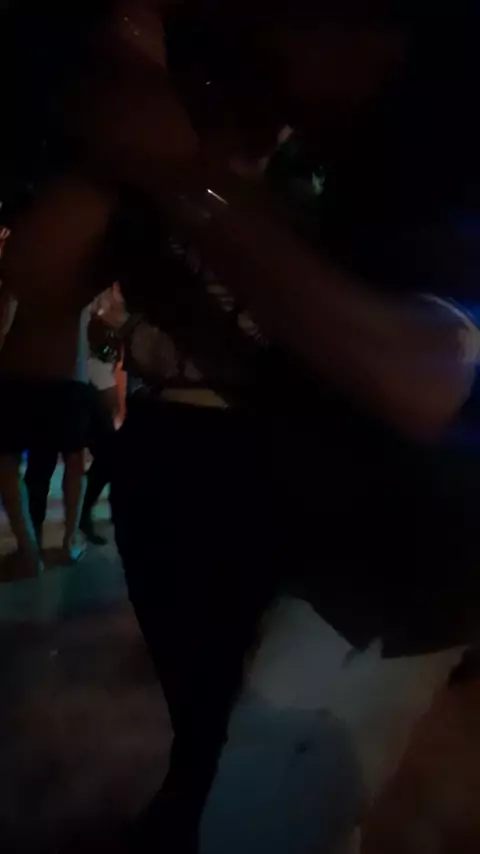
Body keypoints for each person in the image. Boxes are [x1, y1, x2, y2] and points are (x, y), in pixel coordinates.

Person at [1, 1, 480, 852]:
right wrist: (130, 154)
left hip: (303, 458)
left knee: (266, 710)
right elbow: (39, 276)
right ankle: (201, 795)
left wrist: (188, 178)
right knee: (208, 698)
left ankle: (213, 805)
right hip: (175, 453)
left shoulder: (354, 155)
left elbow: (424, 366)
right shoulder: (160, 147)